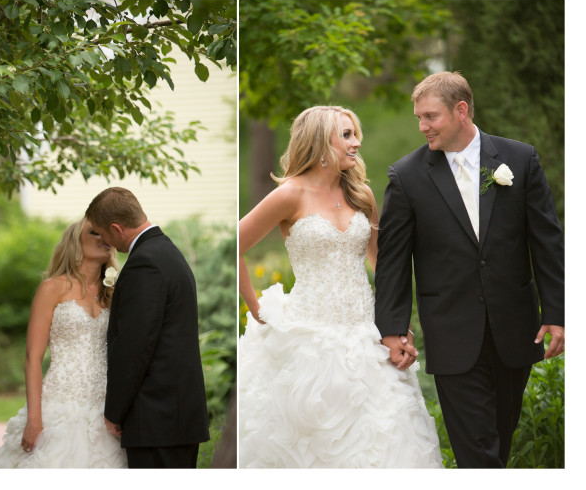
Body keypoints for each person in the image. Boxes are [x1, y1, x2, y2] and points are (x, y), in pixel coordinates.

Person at [375, 71, 565, 468]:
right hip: (451, 333)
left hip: (515, 329)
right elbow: (393, 260)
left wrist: (557, 314)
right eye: (419, 118)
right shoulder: (406, 176)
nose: (423, 126)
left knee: (499, 438)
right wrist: (392, 329)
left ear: (461, 111)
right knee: (477, 453)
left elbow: (547, 242)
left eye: (430, 116)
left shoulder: (520, 159)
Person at [237, 105, 442, 468]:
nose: (356, 142)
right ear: (319, 141)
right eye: (346, 135)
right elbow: (234, 244)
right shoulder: (290, 194)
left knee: (384, 435)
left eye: (355, 134)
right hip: (308, 336)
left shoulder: (361, 194)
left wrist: (395, 323)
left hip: (366, 333)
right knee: (311, 439)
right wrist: (255, 307)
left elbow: (382, 264)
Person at [85, 187, 209, 469]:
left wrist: (115, 411)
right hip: (173, 418)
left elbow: (135, 346)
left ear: (117, 228)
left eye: (104, 234)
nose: (106, 242)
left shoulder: (145, 263)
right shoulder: (166, 251)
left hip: (157, 418)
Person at [0, 218, 127, 468]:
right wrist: (34, 418)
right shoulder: (52, 288)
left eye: (106, 233)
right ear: (75, 243)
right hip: (59, 405)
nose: (104, 238)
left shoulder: (115, 292)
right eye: (94, 233)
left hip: (106, 408)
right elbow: (33, 358)